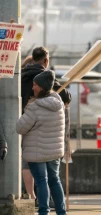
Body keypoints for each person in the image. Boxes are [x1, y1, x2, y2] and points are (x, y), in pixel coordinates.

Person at [21, 47, 71, 203]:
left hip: (26, 125)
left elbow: (19, 127)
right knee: (51, 177)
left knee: (28, 166)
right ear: (46, 60)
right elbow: (65, 95)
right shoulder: (45, 78)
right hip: (46, 133)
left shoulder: (21, 75)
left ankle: (32, 198)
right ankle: (57, 208)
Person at [16, 70, 66, 215]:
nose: (33, 88)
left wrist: (26, 109)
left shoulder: (35, 106)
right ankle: (61, 211)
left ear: (42, 87)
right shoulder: (58, 103)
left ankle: (43, 211)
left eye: (35, 85)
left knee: (41, 181)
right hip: (55, 151)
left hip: (36, 151)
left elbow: (20, 127)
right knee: (54, 180)